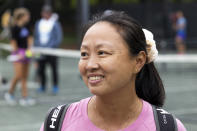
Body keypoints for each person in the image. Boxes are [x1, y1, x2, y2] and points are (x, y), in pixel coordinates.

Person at [40, 11, 186, 131]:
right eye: (84, 54)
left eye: (102, 52)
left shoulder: (168, 127)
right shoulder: (56, 122)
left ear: (138, 61)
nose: (90, 65)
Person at [4, 8, 35, 106]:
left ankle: (24, 98)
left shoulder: (27, 26)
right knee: (18, 76)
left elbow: (30, 38)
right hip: (18, 54)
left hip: (26, 53)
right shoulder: (14, 28)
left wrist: (30, 50)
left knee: (25, 77)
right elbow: (13, 42)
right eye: (27, 16)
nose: (28, 17)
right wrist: (18, 53)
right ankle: (9, 93)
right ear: (22, 17)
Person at [34, 5, 62, 94]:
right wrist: (38, 46)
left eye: (47, 12)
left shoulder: (55, 23)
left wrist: (51, 47)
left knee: (54, 69)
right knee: (41, 69)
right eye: (44, 12)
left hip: (52, 51)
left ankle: (55, 86)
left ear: (50, 13)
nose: (45, 14)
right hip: (40, 51)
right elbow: (36, 36)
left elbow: (58, 37)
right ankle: (42, 85)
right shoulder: (38, 23)